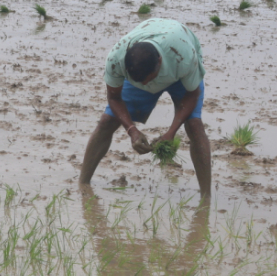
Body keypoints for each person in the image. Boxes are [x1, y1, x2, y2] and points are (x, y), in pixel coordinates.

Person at [79, 18, 211, 194]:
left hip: (179, 72)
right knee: (106, 121)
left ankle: (206, 197)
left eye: (150, 79)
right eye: (141, 81)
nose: (147, 85)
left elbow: (192, 95)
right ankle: (83, 185)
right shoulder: (116, 59)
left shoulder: (184, 57)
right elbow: (114, 98)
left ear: (159, 61)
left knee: (194, 125)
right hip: (145, 69)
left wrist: (171, 133)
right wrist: (131, 130)